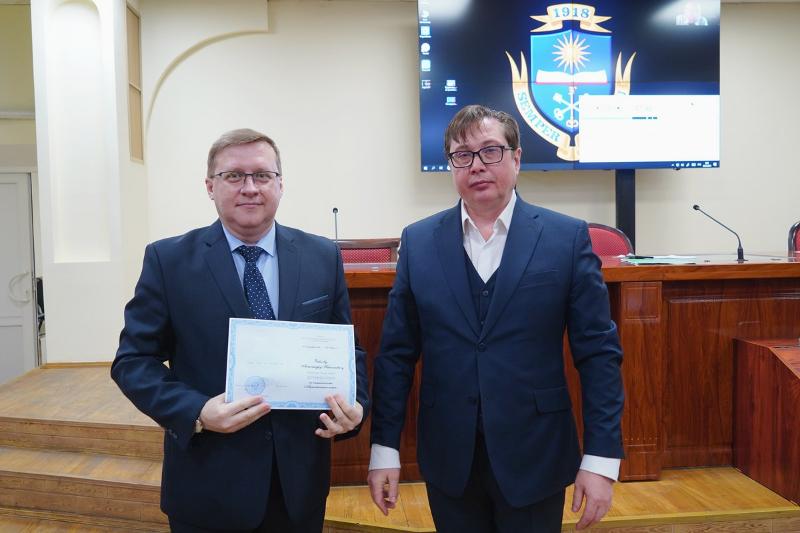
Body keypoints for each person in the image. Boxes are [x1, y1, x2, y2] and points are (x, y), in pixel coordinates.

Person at [367, 105, 624, 532]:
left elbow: (598, 354)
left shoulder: (565, 238)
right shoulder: (418, 241)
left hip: (537, 453)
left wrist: (600, 458)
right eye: (462, 155)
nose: (477, 165)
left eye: (490, 151)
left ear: (516, 158)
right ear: (451, 165)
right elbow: (396, 355)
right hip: (449, 457)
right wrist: (384, 448)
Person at [111, 128, 369, 532]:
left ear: (280, 184)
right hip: (208, 485)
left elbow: (348, 350)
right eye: (233, 176)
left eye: (262, 175)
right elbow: (133, 362)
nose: (250, 187)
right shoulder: (169, 261)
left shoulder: (322, 256)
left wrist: (355, 407)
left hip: (298, 487)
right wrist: (197, 411)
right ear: (210, 186)